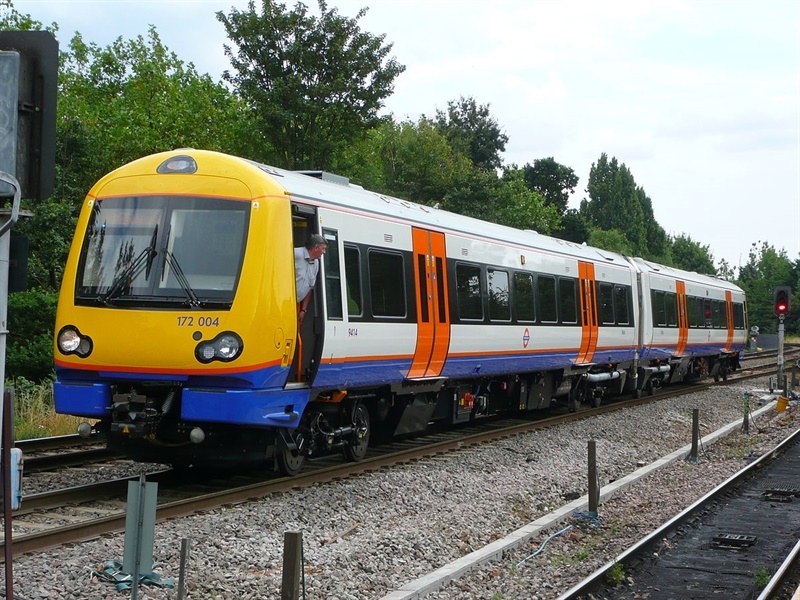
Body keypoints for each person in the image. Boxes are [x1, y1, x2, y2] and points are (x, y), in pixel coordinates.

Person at [294, 233, 327, 323]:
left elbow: (309, 288)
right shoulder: (295, 254)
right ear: (316, 248)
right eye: (323, 249)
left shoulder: (316, 263)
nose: (324, 252)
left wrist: (303, 310)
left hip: (295, 306)